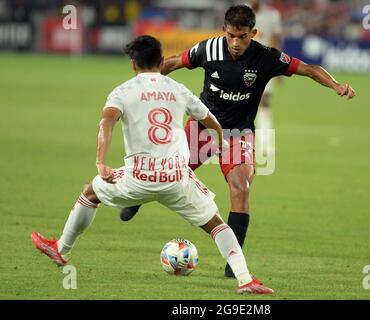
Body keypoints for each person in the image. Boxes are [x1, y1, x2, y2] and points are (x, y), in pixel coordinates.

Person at [120, 5, 356, 278]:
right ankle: (137, 197)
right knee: (164, 172)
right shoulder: (208, 49)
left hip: (238, 133)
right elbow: (174, 62)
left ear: (253, 33)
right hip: (203, 127)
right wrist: (146, 81)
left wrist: (337, 85)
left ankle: (233, 264)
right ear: (224, 30)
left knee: (240, 187)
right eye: (231, 35)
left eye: (242, 37)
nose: (235, 43)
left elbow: (308, 68)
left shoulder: (266, 57)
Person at [30, 35, 273, 295]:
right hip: (177, 177)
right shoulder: (177, 88)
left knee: (91, 192)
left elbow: (106, 123)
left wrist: (101, 162)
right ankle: (245, 280)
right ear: (160, 61)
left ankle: (61, 249)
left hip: (137, 178)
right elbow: (210, 118)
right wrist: (222, 143)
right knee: (216, 225)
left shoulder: (122, 91)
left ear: (133, 64)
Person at [249, 0, 283, 156]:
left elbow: (275, 41)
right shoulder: (240, 12)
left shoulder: (272, 15)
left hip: (264, 65)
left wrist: (279, 67)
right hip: (243, 65)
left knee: (265, 103)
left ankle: (267, 145)